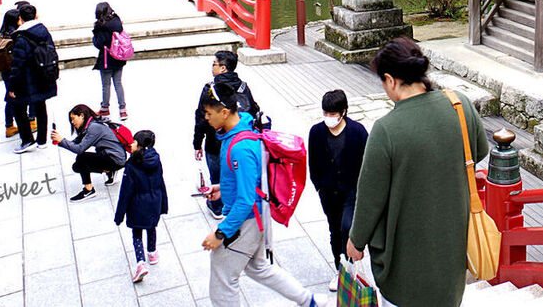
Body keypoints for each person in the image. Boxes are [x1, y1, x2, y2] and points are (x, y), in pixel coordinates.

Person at [347, 38, 489, 307]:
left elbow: (369, 198)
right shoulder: (461, 106)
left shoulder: (387, 130)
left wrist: (356, 241)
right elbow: (478, 151)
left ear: (390, 80)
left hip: (405, 265)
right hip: (450, 254)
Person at [199, 82, 318, 307]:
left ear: (224, 113)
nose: (206, 118)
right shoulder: (238, 131)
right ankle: (311, 301)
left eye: (208, 113)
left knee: (223, 280)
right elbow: (248, 182)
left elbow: (244, 200)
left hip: (247, 221)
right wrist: (222, 190)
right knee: (259, 268)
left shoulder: (240, 147)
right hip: (256, 216)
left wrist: (220, 233)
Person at [308, 89, 367, 292]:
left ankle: (349, 266)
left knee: (347, 227)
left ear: (343, 112)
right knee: (334, 230)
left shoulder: (358, 132)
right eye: (326, 113)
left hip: (351, 190)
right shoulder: (316, 132)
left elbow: (366, 163)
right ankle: (340, 269)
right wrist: (319, 185)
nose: (329, 118)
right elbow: (313, 162)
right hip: (328, 191)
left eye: (333, 114)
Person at [193, 51, 260, 219]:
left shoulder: (211, 89)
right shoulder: (243, 87)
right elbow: (253, 111)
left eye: (214, 64)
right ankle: (235, 203)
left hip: (215, 142)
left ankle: (217, 207)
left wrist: (197, 143)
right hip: (239, 140)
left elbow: (201, 118)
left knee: (217, 176)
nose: (212, 67)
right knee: (237, 175)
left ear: (223, 68)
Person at [114, 130, 168, 283]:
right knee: (151, 227)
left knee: (137, 233)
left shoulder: (132, 165)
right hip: (154, 202)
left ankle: (140, 263)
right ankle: (152, 253)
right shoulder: (156, 160)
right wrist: (163, 204)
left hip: (137, 205)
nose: (131, 144)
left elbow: (125, 192)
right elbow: (160, 183)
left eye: (133, 142)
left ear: (139, 145)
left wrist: (119, 215)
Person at [7, 3, 58, 154]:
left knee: (18, 107)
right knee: (40, 106)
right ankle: (42, 140)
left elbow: (17, 65)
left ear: (20, 19)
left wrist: (12, 86)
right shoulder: (43, 31)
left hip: (27, 79)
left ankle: (27, 139)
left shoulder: (21, 37)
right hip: (43, 75)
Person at [53, 104, 127, 202]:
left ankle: (89, 190)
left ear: (82, 116)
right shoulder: (90, 124)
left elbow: (79, 149)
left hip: (115, 159)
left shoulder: (93, 128)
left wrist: (62, 140)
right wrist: (60, 141)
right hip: (113, 155)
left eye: (73, 118)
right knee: (77, 166)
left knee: (82, 158)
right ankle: (110, 171)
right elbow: (75, 142)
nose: (72, 122)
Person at [0, 3, 35, 138]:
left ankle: (9, 125)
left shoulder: (3, 33)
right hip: (16, 71)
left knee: (10, 97)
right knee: (25, 94)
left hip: (6, 70)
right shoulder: (16, 36)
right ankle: (30, 120)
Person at [92, 2, 127, 120]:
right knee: (118, 83)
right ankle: (123, 109)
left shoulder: (101, 27)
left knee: (106, 85)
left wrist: (94, 37)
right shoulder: (117, 22)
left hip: (106, 58)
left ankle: (105, 107)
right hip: (118, 57)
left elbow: (99, 43)